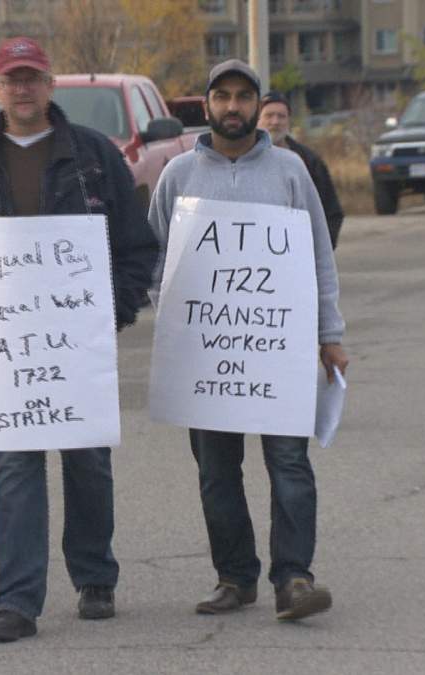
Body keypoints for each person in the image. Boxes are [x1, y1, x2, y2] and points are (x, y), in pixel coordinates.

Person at [0, 37, 158, 643]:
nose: (23, 88)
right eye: (13, 79)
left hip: (77, 344)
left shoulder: (93, 156)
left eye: (33, 77)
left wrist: (114, 311)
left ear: (50, 85)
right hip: (8, 351)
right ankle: (17, 602)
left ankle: (95, 578)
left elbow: (136, 246)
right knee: (16, 469)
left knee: (87, 462)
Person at [147, 59, 348, 622]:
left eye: (243, 96)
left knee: (289, 464)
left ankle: (295, 578)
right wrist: (170, 326)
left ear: (259, 105)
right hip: (204, 355)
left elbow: (318, 259)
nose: (232, 107)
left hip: (276, 352)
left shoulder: (290, 171)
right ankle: (235, 577)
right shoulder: (177, 177)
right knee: (216, 470)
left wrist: (329, 335)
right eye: (222, 96)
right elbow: (158, 259)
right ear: (206, 105)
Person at [258, 91, 345, 248]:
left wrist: (318, 250)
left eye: (281, 116)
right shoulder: (243, 160)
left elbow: (331, 212)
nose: (275, 121)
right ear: (257, 119)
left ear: (289, 121)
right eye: (269, 115)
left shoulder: (310, 162)